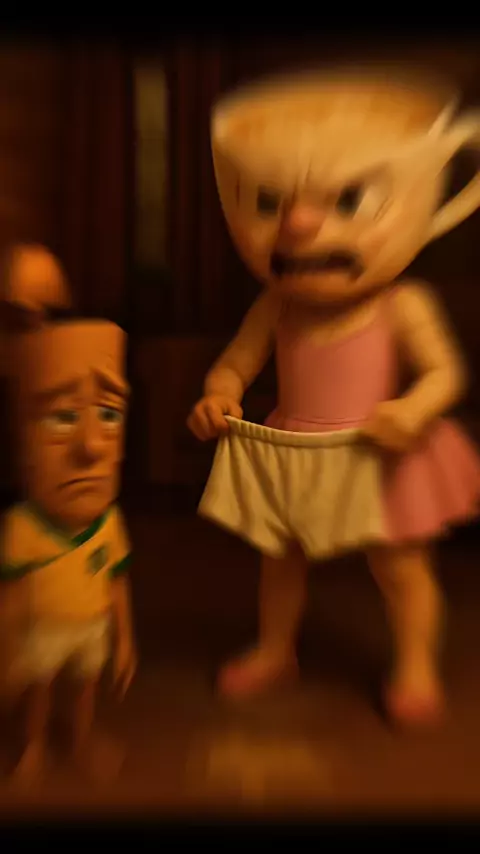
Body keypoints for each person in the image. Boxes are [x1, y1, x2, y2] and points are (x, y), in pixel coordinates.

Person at [187, 67, 480, 726]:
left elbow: (444, 375)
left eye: (348, 201)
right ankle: (275, 648)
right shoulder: (276, 304)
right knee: (280, 562)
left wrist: (412, 410)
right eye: (270, 202)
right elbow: (235, 364)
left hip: (378, 451)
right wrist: (219, 393)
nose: (297, 227)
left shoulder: (402, 304)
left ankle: (415, 661)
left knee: (401, 568)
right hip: (295, 449)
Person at [0, 246, 136, 783]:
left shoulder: (103, 516)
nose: (37, 331)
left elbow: (116, 578)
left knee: (80, 685)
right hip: (39, 620)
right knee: (38, 685)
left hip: (84, 624)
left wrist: (124, 638)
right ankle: (32, 743)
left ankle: (78, 739)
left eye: (52, 316)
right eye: (16, 317)